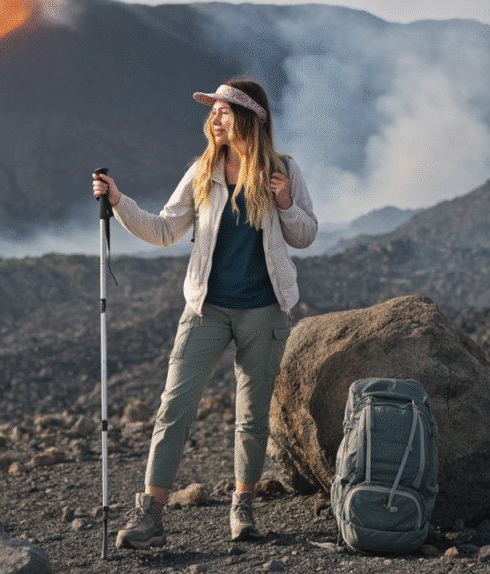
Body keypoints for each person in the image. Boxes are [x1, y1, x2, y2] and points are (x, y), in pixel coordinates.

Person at [92, 77, 317, 550]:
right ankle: (151, 513)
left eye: (225, 111)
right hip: (206, 310)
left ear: (251, 119)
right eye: (212, 111)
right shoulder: (202, 171)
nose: (215, 118)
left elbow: (305, 235)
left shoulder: (284, 170)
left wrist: (286, 203)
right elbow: (163, 229)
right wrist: (118, 202)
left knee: (252, 417)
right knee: (174, 407)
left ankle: (243, 508)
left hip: (264, 311)